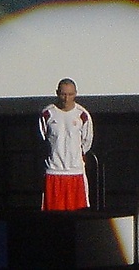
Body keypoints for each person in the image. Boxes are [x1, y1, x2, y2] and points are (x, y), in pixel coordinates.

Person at [39, 78, 94, 210]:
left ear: (76, 94)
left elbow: (87, 140)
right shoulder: (47, 114)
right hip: (54, 171)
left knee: (79, 213)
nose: (66, 98)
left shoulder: (82, 115)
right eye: (63, 94)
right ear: (57, 93)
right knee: (52, 214)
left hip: (75, 172)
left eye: (70, 94)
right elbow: (43, 138)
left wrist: (76, 156)